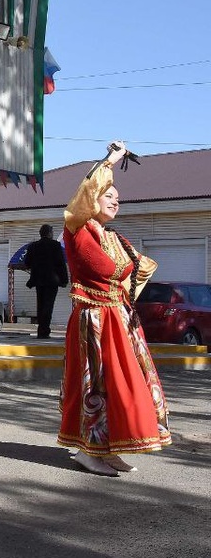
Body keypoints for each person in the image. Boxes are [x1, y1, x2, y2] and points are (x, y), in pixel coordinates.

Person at [59, 142, 170, 476]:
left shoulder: (115, 238)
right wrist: (110, 161)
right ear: (92, 199)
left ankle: (110, 449)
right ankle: (87, 450)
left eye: (117, 198)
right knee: (96, 386)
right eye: (108, 195)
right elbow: (83, 196)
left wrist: (125, 297)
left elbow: (140, 269)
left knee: (124, 386)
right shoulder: (77, 229)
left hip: (117, 319)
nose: (115, 201)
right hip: (93, 320)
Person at [23, 224, 68, 338]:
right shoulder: (55, 245)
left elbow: (27, 263)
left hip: (38, 280)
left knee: (41, 305)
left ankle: (41, 330)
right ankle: (44, 330)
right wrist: (64, 280)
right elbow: (61, 264)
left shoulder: (33, 246)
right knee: (48, 305)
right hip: (52, 281)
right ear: (49, 233)